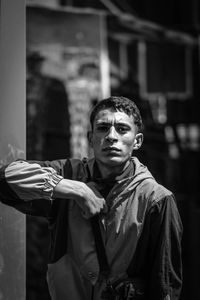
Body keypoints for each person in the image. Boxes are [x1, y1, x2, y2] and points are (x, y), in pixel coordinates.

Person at [0, 96, 182, 300]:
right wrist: (77, 189)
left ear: (137, 141)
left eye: (122, 129)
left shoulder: (157, 199)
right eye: (103, 128)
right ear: (90, 138)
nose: (111, 136)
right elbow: (5, 178)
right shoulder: (69, 173)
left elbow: (165, 285)